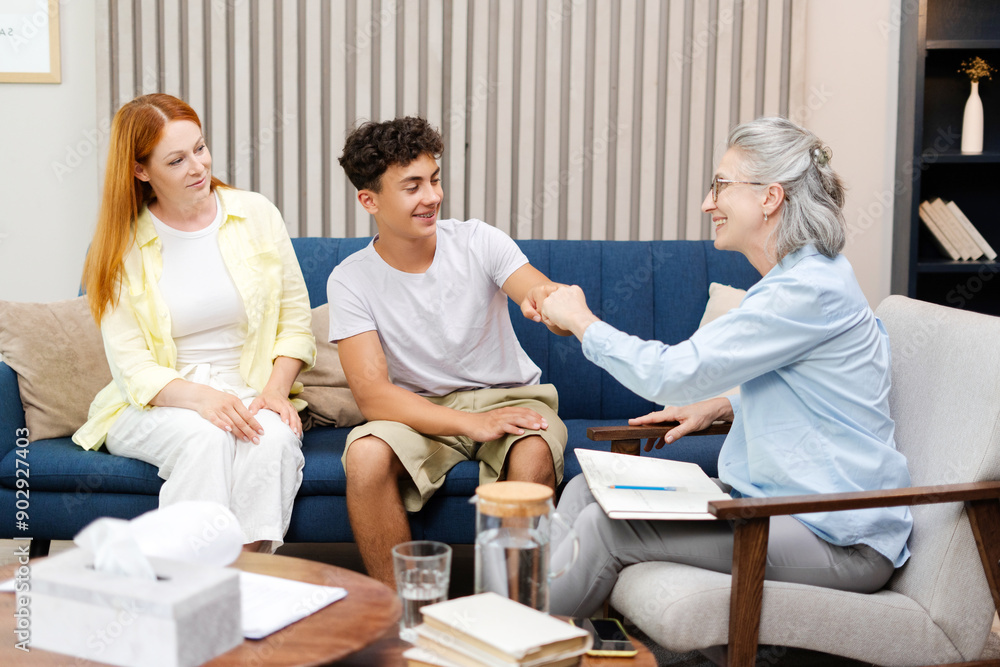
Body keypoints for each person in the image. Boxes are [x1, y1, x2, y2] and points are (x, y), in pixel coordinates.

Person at [538, 116, 913, 617]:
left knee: (609, 525)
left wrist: (581, 321)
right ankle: (536, 620)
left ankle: (515, 638)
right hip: (781, 508)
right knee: (588, 488)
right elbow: (822, 391)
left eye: (720, 186)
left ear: (770, 197)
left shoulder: (804, 291)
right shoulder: (805, 279)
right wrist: (722, 405)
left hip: (836, 537)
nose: (707, 203)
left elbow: (670, 373)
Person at [330, 117, 571, 586]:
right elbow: (374, 398)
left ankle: (515, 616)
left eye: (435, 179)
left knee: (534, 452)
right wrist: (469, 424)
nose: (433, 196)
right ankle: (403, 621)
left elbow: (538, 291)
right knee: (365, 456)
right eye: (413, 186)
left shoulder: (478, 240)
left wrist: (555, 308)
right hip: (417, 413)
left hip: (509, 399)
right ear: (370, 200)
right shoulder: (350, 279)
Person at [73, 94, 316, 554]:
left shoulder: (255, 214)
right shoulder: (118, 249)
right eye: (177, 159)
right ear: (142, 171)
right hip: (157, 401)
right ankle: (181, 582)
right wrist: (206, 400)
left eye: (200, 149)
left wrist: (275, 392)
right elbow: (134, 368)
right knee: (207, 437)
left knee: (274, 442)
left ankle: (246, 576)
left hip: (252, 390)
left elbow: (295, 319)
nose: (198, 167)